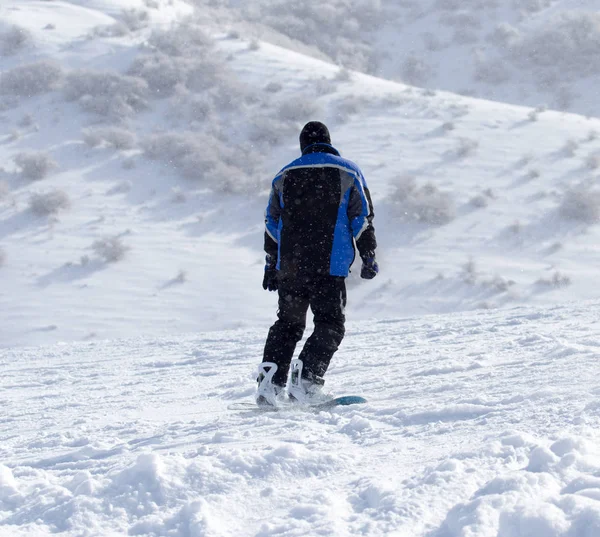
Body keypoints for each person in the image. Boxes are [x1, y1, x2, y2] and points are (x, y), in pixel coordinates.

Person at [256, 121, 378, 406]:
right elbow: (362, 218)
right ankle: (306, 381)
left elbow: (271, 223)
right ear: (329, 141)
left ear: (303, 146)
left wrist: (271, 263)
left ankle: (268, 387)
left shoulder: (284, 175)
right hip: (329, 265)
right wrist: (368, 254)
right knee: (330, 323)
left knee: (287, 324)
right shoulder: (348, 171)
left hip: (290, 266)